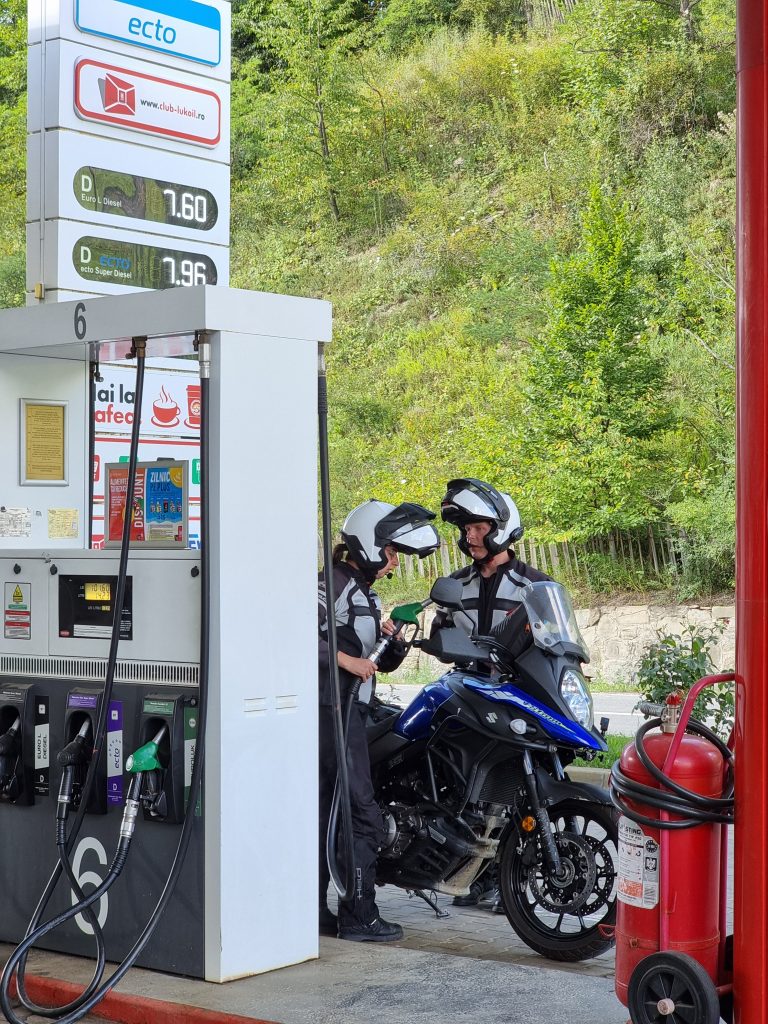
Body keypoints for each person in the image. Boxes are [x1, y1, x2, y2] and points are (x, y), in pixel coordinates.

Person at [318, 499, 439, 941]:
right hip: (331, 710)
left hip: (350, 710)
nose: (394, 561)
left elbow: (376, 664)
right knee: (361, 813)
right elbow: (292, 633)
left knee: (328, 809)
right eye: (390, 551)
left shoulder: (364, 592)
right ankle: (358, 917)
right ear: (367, 544)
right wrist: (346, 660)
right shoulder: (331, 583)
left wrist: (392, 639)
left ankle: (314, 910)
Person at [436, 478, 552, 910]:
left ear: (501, 529)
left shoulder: (535, 585)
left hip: (519, 699)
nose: (470, 536)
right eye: (466, 529)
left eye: (479, 527)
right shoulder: (455, 585)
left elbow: (557, 644)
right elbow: (441, 637)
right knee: (468, 786)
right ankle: (474, 876)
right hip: (470, 700)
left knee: (521, 788)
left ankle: (512, 880)